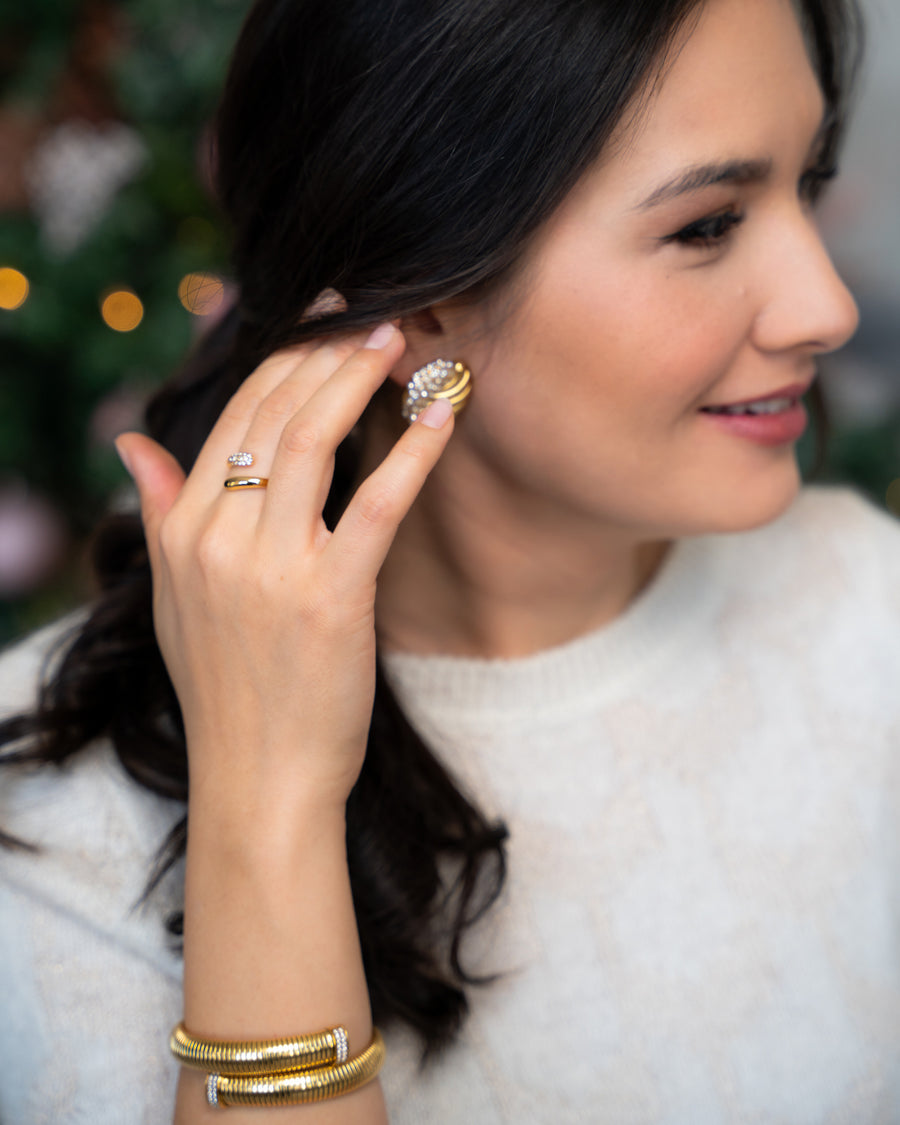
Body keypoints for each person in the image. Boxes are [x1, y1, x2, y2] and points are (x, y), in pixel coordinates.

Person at [2, 0, 899, 1120]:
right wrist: (265, 802)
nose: (827, 307)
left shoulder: (873, 614)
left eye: (807, 183)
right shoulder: (44, 835)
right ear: (421, 303)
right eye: (708, 225)